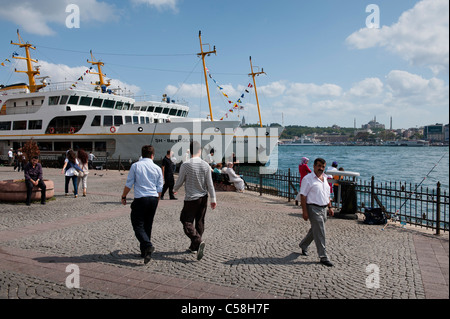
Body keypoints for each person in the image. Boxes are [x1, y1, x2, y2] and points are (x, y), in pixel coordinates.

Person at [173, 141, 217, 261]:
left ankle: (197, 240)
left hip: (191, 198)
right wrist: (213, 199)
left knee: (185, 220)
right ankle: (194, 247)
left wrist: (174, 189)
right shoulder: (205, 165)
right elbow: (210, 184)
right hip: (203, 197)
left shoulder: (186, 165)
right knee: (200, 221)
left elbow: (180, 180)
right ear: (200, 151)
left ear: (190, 150)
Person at [121, 145, 163, 265]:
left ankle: (147, 245)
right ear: (152, 155)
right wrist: (157, 200)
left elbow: (129, 183)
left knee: (138, 224)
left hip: (141, 198)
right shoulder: (157, 168)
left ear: (142, 154)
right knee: (148, 224)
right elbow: (160, 187)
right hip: (154, 198)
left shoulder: (136, 166)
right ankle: (145, 252)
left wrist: (124, 196)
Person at [299, 158, 334, 267]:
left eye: (323, 167)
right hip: (313, 208)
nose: (321, 168)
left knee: (316, 229)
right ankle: (323, 256)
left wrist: (330, 207)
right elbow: (303, 195)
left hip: (324, 208)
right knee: (320, 231)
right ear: (314, 166)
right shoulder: (308, 179)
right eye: (319, 166)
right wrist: (304, 211)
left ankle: (303, 244)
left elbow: (327, 194)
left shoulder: (325, 178)